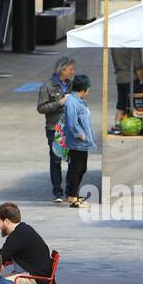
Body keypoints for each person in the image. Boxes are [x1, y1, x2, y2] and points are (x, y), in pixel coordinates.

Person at [37, 57, 74, 203]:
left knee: (72, 159)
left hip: (70, 128)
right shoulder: (48, 86)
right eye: (70, 69)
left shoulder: (71, 85)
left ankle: (71, 191)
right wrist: (60, 103)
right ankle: (58, 192)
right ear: (62, 70)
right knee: (56, 159)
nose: (72, 72)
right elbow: (41, 108)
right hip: (54, 128)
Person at [63, 74, 95, 208]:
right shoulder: (72, 102)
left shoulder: (79, 101)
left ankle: (72, 195)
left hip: (83, 143)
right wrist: (80, 135)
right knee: (76, 169)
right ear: (84, 89)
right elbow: (72, 122)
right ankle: (73, 197)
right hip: (77, 143)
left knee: (81, 168)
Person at [111, 46, 143, 129]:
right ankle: (133, 127)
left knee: (121, 105)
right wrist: (141, 79)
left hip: (120, 77)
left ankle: (117, 126)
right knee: (135, 106)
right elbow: (138, 64)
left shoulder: (115, 45)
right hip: (132, 77)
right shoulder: (134, 45)